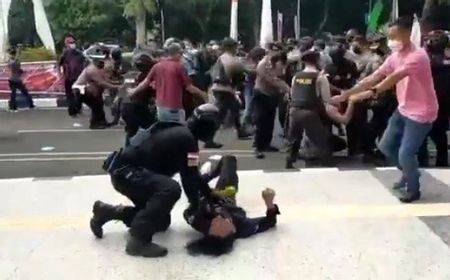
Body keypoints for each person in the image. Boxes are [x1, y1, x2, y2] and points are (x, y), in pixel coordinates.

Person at [89, 104, 222, 258]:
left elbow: (192, 175)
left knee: (160, 221)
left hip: (125, 174)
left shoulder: (181, 133)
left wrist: (209, 194)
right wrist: (197, 205)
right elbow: (189, 178)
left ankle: (107, 211)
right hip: (129, 174)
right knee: (170, 189)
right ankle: (138, 240)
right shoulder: (188, 140)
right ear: (208, 126)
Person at [333, 17, 439, 203]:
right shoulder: (394, 56)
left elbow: (392, 78)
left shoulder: (418, 56)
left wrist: (370, 93)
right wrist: (346, 94)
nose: (390, 40)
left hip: (422, 113)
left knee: (405, 153)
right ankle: (410, 172)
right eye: (389, 36)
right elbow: (374, 76)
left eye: (393, 36)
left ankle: (413, 189)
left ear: (407, 34)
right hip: (404, 108)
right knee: (386, 147)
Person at [184, 155, 280, 256]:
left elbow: (187, 213)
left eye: (214, 224)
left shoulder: (199, 221)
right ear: (233, 230)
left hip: (203, 197)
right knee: (229, 160)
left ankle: (207, 176)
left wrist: (204, 205)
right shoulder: (243, 227)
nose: (219, 219)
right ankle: (208, 176)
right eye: (223, 224)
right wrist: (269, 203)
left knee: (193, 178)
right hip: (226, 199)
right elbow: (269, 222)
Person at [286, 50, 353, 169]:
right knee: (320, 139)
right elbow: (327, 99)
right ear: (317, 61)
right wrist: (341, 99)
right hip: (309, 112)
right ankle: (327, 163)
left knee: (294, 138)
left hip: (294, 110)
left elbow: (292, 93)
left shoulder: (297, 76)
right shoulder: (320, 77)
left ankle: (290, 161)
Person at [130, 43, 207, 123]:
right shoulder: (179, 67)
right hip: (175, 107)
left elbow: (145, 82)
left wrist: (133, 91)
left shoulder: (157, 66)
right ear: (177, 53)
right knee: (179, 130)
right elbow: (189, 87)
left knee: (165, 129)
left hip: (161, 108)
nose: (181, 57)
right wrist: (202, 94)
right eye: (181, 54)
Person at [210, 38, 251, 143]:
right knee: (221, 114)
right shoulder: (226, 58)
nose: (236, 48)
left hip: (224, 88)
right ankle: (208, 138)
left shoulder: (225, 57)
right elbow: (234, 68)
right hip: (223, 88)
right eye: (234, 46)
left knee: (235, 109)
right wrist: (251, 71)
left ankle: (240, 131)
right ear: (229, 47)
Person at [418, 30, 450, 167]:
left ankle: (423, 164)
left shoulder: (423, 62)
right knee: (439, 136)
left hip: (426, 104)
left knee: (423, 137)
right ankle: (441, 163)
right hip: (441, 105)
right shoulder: (445, 64)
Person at [253, 51, 290, 159]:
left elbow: (280, 76)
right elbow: (271, 79)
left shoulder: (278, 64)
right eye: (280, 64)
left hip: (273, 94)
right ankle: (258, 147)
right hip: (262, 93)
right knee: (261, 120)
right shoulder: (263, 64)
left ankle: (266, 144)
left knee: (270, 121)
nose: (282, 67)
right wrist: (287, 88)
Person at [73, 55, 121, 129]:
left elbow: (106, 80)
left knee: (98, 103)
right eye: (100, 62)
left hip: (88, 90)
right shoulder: (92, 70)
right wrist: (116, 86)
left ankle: (101, 122)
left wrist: (116, 83)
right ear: (95, 62)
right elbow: (101, 83)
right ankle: (95, 124)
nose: (102, 63)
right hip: (80, 90)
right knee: (96, 104)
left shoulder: (100, 69)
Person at [58, 37, 86, 117]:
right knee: (72, 95)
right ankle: (73, 111)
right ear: (67, 44)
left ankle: (77, 109)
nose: (73, 44)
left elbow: (85, 62)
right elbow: (59, 64)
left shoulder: (78, 53)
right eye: (71, 42)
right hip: (69, 77)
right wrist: (60, 74)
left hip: (78, 77)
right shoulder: (65, 54)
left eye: (73, 42)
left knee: (78, 95)